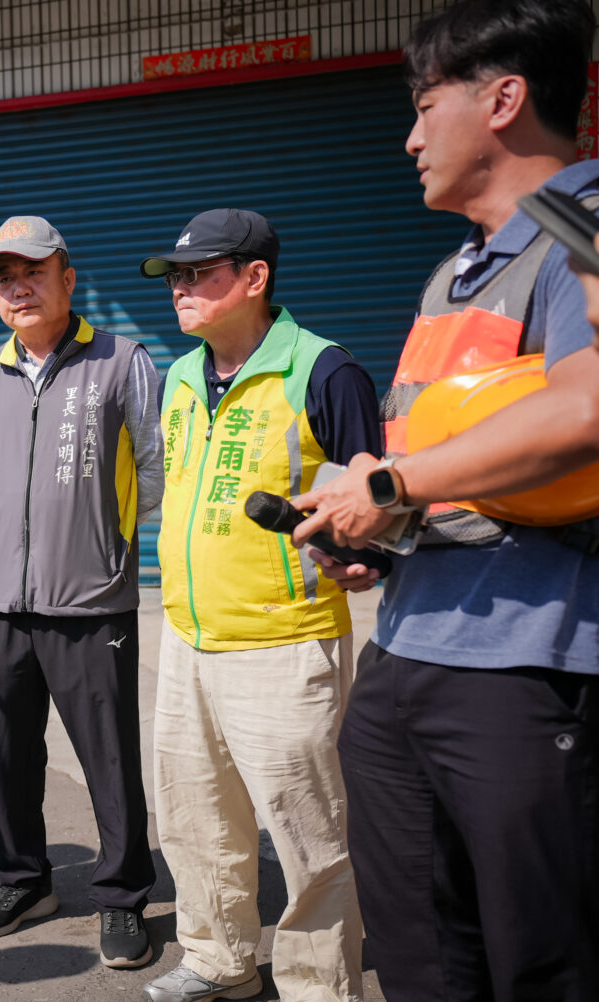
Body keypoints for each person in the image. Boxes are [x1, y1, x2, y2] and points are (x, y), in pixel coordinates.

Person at [290, 2, 599, 998]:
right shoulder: (455, 276)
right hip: (408, 654)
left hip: (531, 666)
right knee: (423, 958)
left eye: (427, 106)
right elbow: (452, 463)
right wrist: (377, 532)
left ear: (504, 98)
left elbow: (588, 406)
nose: (411, 136)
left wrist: (387, 482)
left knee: (542, 961)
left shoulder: (584, 228)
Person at [137, 209, 378, 1002]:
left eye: (197, 273)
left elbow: (371, 511)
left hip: (285, 641)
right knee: (194, 819)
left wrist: (359, 557)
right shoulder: (177, 377)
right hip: (187, 636)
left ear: (254, 277)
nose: (179, 289)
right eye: (174, 276)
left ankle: (316, 984)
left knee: (307, 835)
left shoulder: (324, 371)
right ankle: (217, 958)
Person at [0, 216, 163, 968]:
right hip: (1, 604)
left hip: (92, 602)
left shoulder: (122, 361)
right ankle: (24, 879)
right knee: (6, 754)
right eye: (3, 276)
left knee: (108, 756)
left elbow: (156, 467)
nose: (18, 286)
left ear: (67, 279)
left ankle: (122, 895)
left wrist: (115, 552)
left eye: (32, 271)